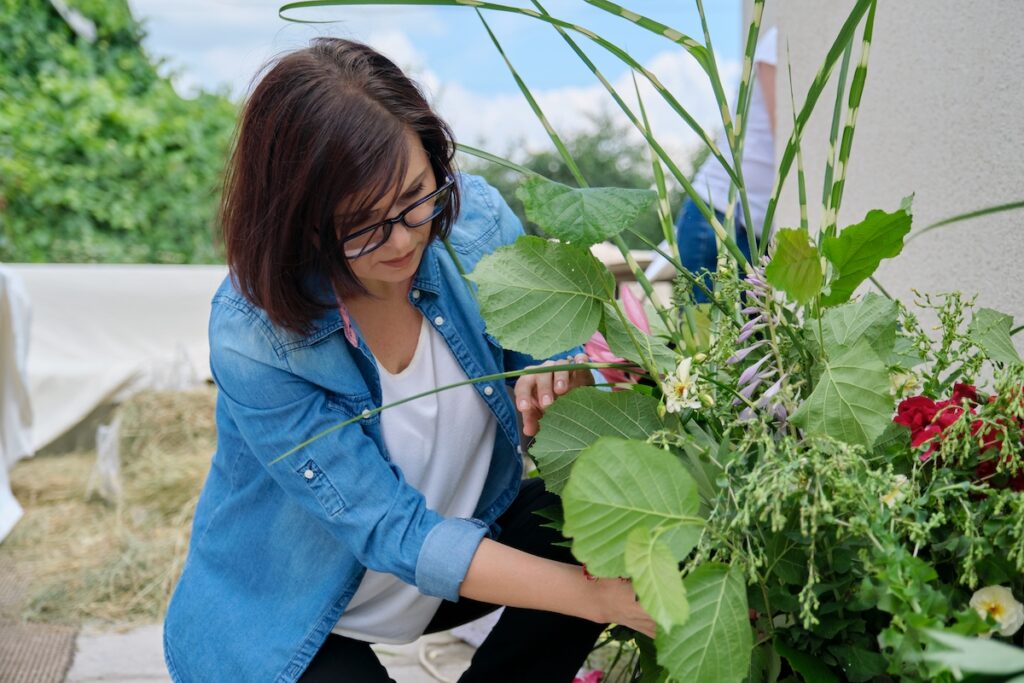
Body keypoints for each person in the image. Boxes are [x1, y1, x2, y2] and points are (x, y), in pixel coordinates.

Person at [162, 38, 654, 683]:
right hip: (289, 611)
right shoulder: (256, 333)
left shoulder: (471, 221)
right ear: (296, 220)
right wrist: (598, 600)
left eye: (416, 197)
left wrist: (558, 361)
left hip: (444, 572)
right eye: (361, 224)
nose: (403, 239)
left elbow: (552, 349)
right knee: (582, 581)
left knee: (595, 517)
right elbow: (392, 529)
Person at [647, 27, 777, 296]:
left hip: (754, 230)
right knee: (709, 331)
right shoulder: (779, 41)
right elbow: (785, 133)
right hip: (719, 220)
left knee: (751, 334)